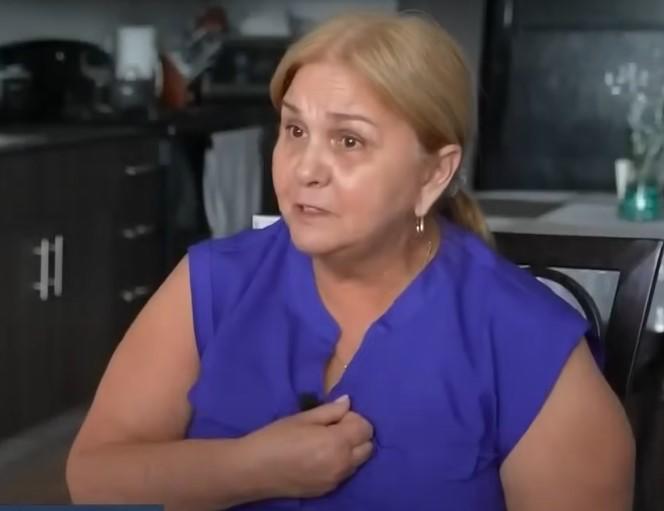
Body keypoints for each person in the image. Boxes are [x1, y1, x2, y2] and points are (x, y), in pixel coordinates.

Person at [66, 11, 634, 511]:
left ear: (433, 173)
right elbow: (93, 479)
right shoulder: (212, 282)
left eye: (349, 141)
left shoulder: (528, 344)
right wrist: (250, 467)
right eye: (294, 130)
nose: (304, 169)